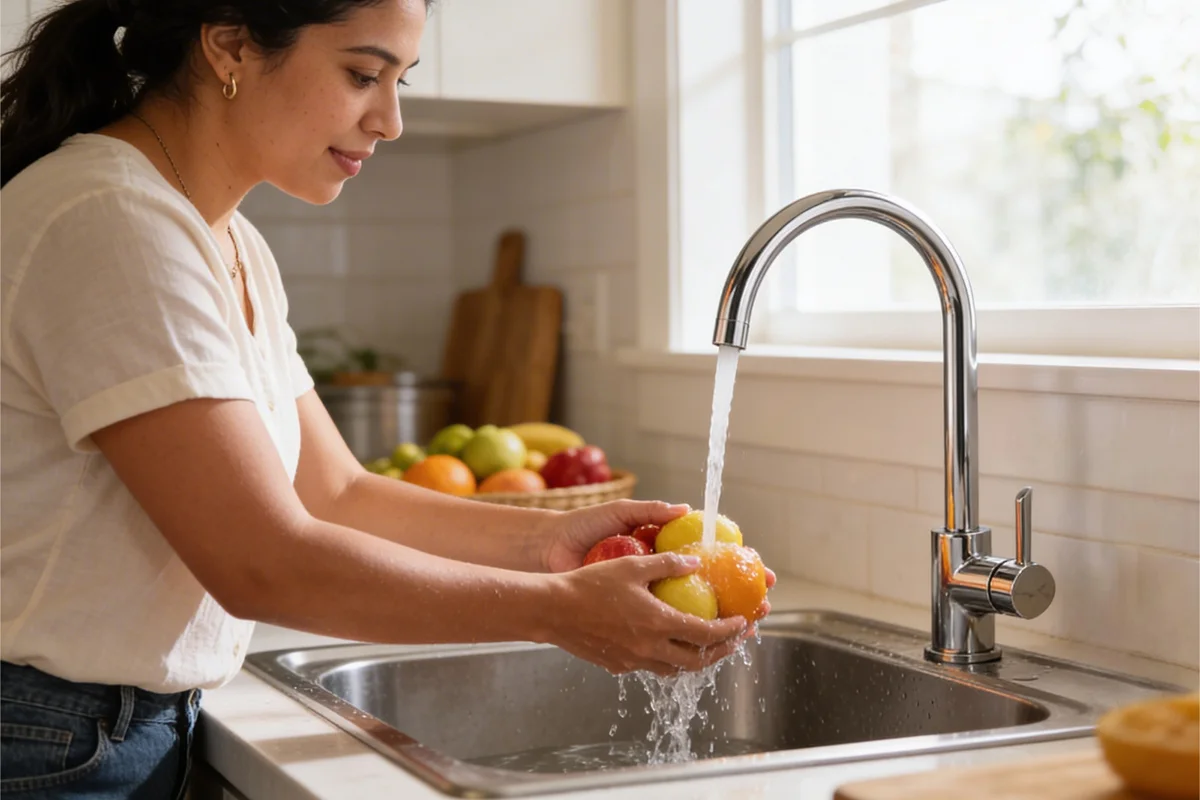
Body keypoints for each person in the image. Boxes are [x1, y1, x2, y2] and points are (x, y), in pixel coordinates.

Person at [0, 1, 773, 797]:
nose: (391, 120)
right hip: (45, 744)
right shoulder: (110, 219)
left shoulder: (226, 239)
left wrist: (549, 543)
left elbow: (335, 495)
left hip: (106, 731)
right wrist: (555, 610)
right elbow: (262, 562)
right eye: (363, 74)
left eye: (400, 80)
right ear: (229, 45)